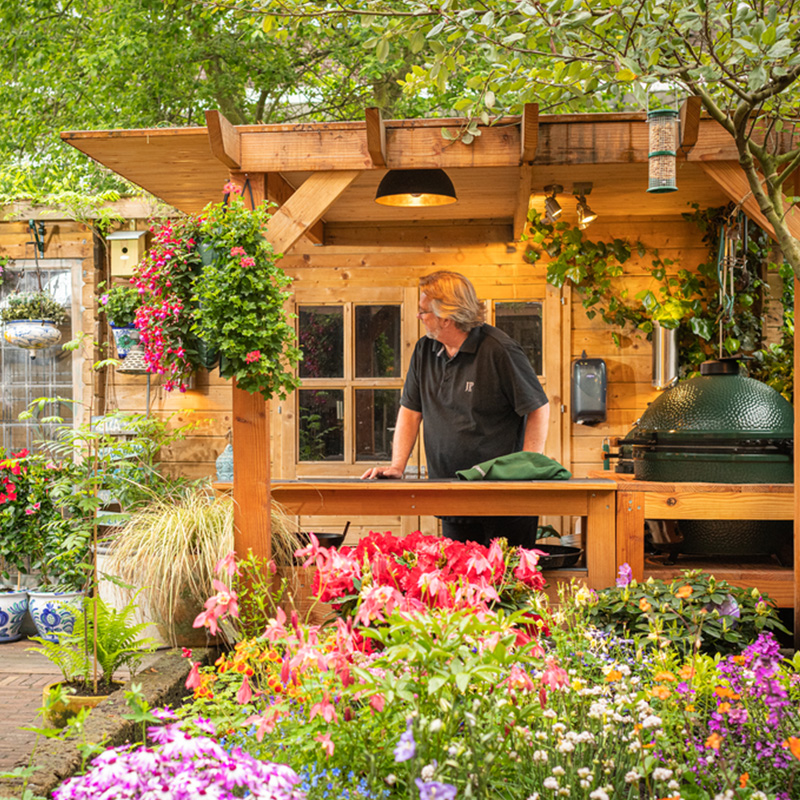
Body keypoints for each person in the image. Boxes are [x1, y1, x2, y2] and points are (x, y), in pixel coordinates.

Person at [361, 271, 550, 547]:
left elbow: (538, 407)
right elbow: (411, 411)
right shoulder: (424, 351)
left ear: (446, 317)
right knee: (458, 575)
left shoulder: (499, 349)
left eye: (424, 311)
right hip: (451, 495)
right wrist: (397, 466)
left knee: (507, 576)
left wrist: (527, 466)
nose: (419, 316)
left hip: (503, 500)